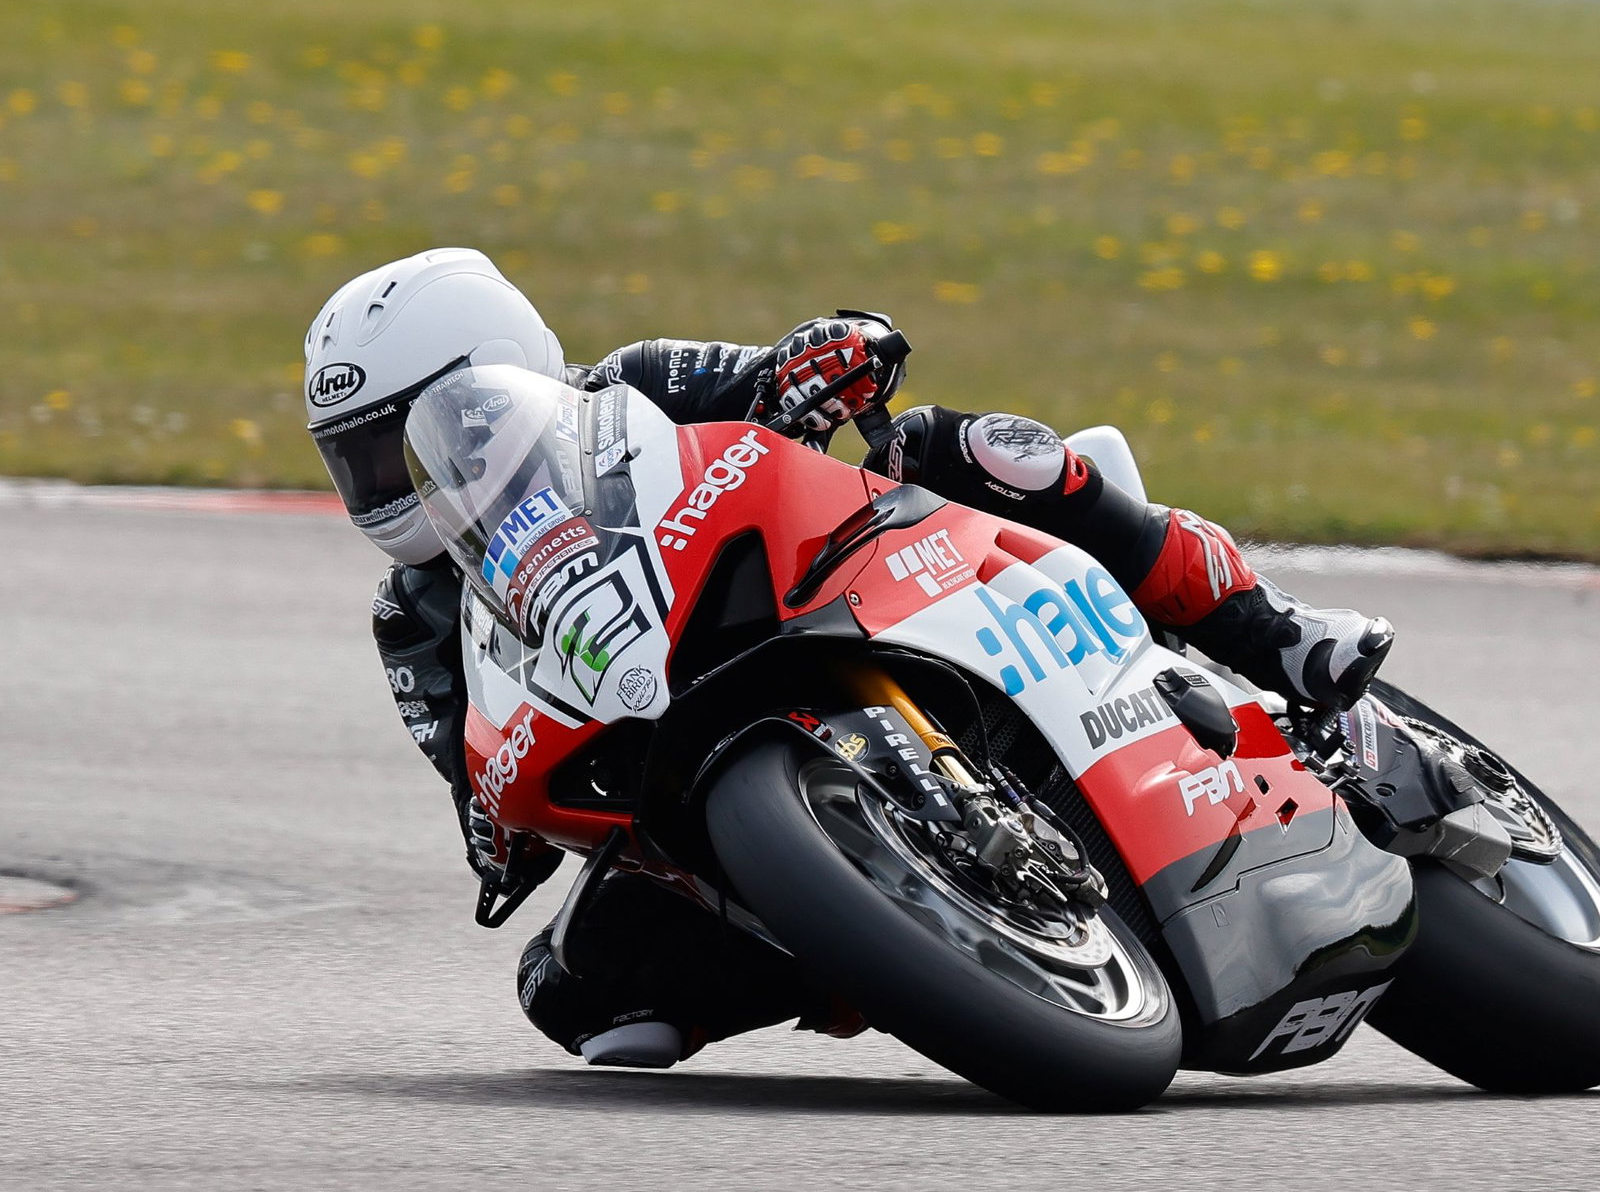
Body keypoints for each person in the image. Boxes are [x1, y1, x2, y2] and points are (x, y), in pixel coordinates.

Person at [307, 247, 1393, 1069]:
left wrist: (818, 361)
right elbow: (470, 769)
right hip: (675, 756)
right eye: (357, 460)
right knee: (571, 996)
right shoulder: (412, 616)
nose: (387, 485)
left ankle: (1271, 628)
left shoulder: (630, 388)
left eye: (399, 437)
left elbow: (809, 363)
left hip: (844, 593)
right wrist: (496, 833)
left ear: (496, 371)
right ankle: (878, 933)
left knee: (963, 445)